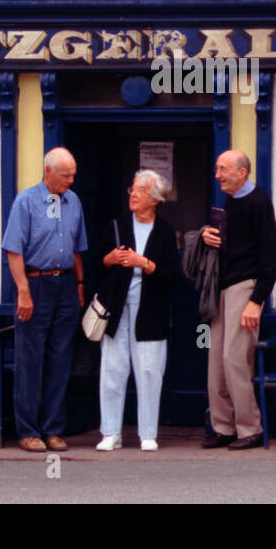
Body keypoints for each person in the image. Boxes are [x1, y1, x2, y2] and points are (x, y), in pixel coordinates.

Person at [2, 146, 87, 452]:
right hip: (35, 284)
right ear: (48, 172)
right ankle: (27, 430)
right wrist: (23, 291)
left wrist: (79, 285)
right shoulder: (26, 201)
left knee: (61, 358)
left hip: (64, 284)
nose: (71, 181)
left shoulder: (73, 201)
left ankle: (53, 429)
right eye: (66, 175)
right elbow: (13, 249)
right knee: (30, 360)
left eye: (73, 175)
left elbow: (77, 248)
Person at [92, 170, 180, 452]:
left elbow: (174, 277)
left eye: (140, 191)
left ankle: (148, 433)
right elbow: (96, 262)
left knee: (149, 370)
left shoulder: (165, 232)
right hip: (116, 309)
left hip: (151, 311)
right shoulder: (117, 225)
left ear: (154, 200)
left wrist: (145, 263)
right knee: (112, 368)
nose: (133, 194)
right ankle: (110, 432)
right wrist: (109, 258)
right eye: (132, 189)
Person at [200, 149, 276, 450]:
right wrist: (208, 235)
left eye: (223, 169)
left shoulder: (258, 202)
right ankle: (223, 427)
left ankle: (250, 429)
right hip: (221, 290)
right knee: (216, 362)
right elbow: (229, 243)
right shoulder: (231, 200)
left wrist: (255, 301)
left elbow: (272, 259)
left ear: (241, 172)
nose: (217, 174)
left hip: (243, 289)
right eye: (217, 168)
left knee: (234, 360)